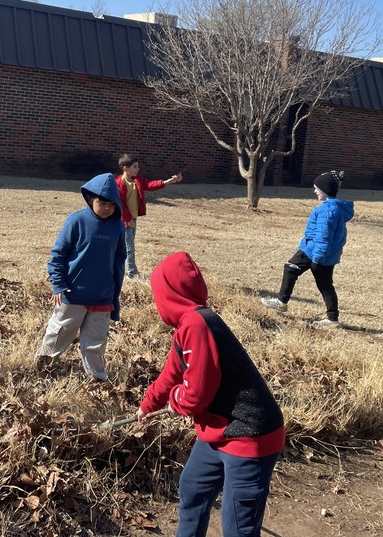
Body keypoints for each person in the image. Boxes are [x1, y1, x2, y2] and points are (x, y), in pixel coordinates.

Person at [138, 251, 284, 537]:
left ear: (168, 294)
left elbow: (196, 396)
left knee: (237, 527)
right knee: (192, 488)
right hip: (219, 432)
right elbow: (172, 373)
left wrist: (175, 402)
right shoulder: (188, 327)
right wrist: (147, 404)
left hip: (249, 437)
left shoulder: (198, 325)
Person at [35, 173, 126, 380]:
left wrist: (114, 296)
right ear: (90, 199)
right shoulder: (76, 221)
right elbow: (58, 254)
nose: (107, 208)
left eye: (112, 204)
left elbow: (119, 262)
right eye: (102, 203)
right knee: (59, 332)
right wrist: (58, 284)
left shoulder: (117, 227)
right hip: (73, 293)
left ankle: (96, 377)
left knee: (96, 340)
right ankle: (44, 366)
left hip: (102, 296)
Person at [262, 170, 353, 328]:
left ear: (325, 190)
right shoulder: (334, 209)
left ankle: (282, 301)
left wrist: (318, 257)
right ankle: (332, 318)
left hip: (314, 252)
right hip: (321, 253)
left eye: (317, 188)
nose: (315, 191)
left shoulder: (327, 211)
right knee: (324, 284)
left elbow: (324, 237)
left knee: (291, 268)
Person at [115, 153, 183, 279]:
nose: (138, 169)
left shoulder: (138, 180)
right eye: (135, 167)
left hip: (132, 218)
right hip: (124, 220)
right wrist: (128, 219)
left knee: (127, 245)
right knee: (129, 247)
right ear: (125, 168)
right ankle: (131, 272)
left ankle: (123, 269)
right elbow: (119, 204)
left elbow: (151, 185)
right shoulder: (118, 183)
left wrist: (169, 181)